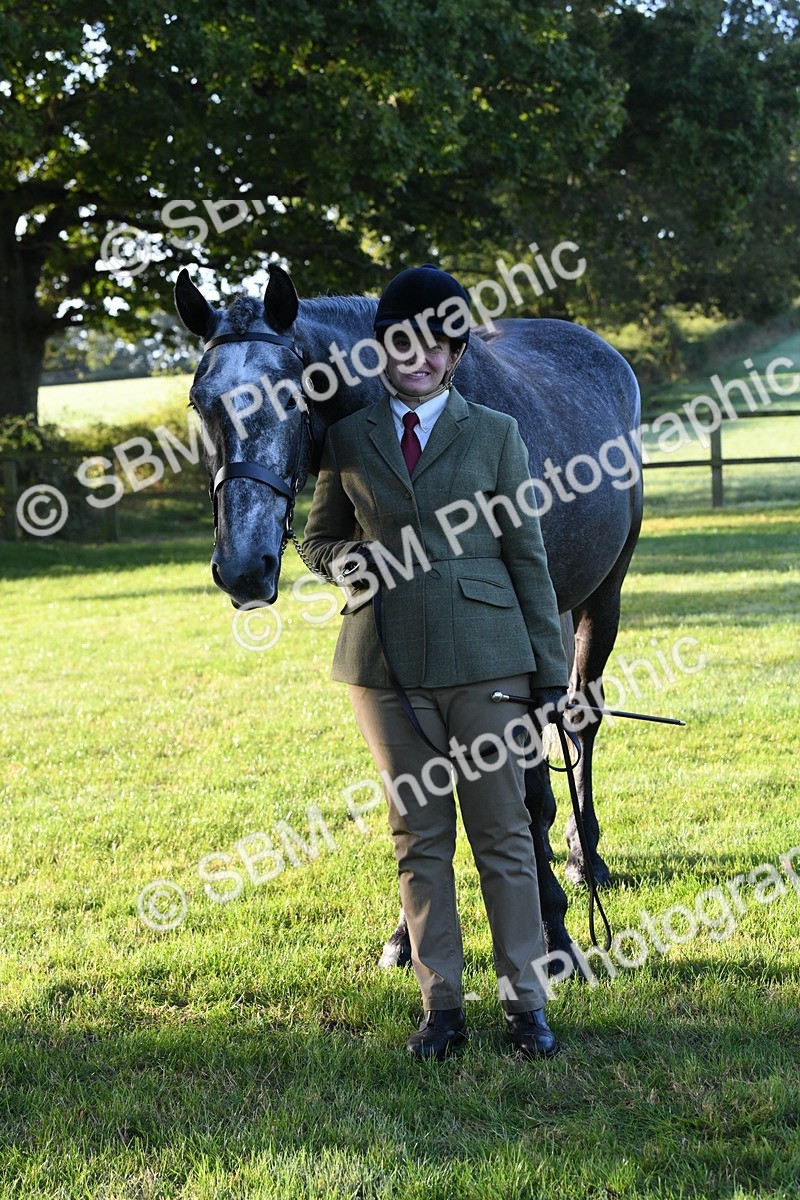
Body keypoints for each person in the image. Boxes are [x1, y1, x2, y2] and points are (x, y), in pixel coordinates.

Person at [302, 264, 569, 1060]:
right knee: (417, 838)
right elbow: (316, 539)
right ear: (380, 348)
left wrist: (551, 674)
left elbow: (527, 554)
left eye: (435, 345)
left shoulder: (496, 435)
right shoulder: (347, 438)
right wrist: (351, 564)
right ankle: (441, 1007)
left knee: (503, 834)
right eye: (400, 342)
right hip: (382, 664)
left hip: (489, 660)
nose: (416, 356)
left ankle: (526, 1005)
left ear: (454, 355)